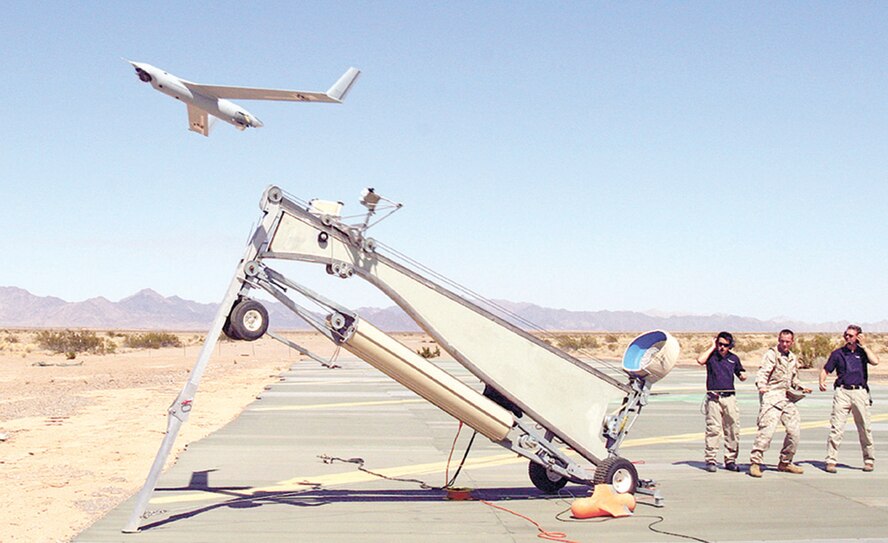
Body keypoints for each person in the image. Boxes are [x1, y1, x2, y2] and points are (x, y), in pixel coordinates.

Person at [748, 329, 811, 477]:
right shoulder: (772, 355)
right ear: (778, 340)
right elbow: (763, 373)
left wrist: (801, 387)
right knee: (766, 432)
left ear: (792, 342)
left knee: (794, 432)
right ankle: (755, 463)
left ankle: (785, 462)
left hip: (787, 397)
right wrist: (762, 386)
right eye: (782, 341)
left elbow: (794, 378)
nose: (784, 344)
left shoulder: (792, 358)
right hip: (772, 397)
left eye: (787, 341)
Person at [819, 324, 880, 473]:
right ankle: (831, 460)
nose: (848, 337)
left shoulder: (862, 352)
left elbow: (875, 361)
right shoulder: (838, 353)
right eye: (846, 335)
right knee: (836, 428)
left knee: (865, 428)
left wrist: (864, 346)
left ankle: (868, 459)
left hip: (860, 392)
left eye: (851, 335)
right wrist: (822, 380)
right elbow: (826, 369)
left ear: (858, 336)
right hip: (842, 392)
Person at [697, 331, 747, 472]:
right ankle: (711, 459)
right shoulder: (711, 357)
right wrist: (712, 346)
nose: (722, 347)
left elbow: (740, 372)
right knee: (713, 429)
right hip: (714, 398)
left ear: (730, 346)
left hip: (729, 398)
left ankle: (730, 459)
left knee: (732, 429)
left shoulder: (733, 359)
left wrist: (743, 376)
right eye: (719, 344)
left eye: (725, 345)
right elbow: (700, 360)